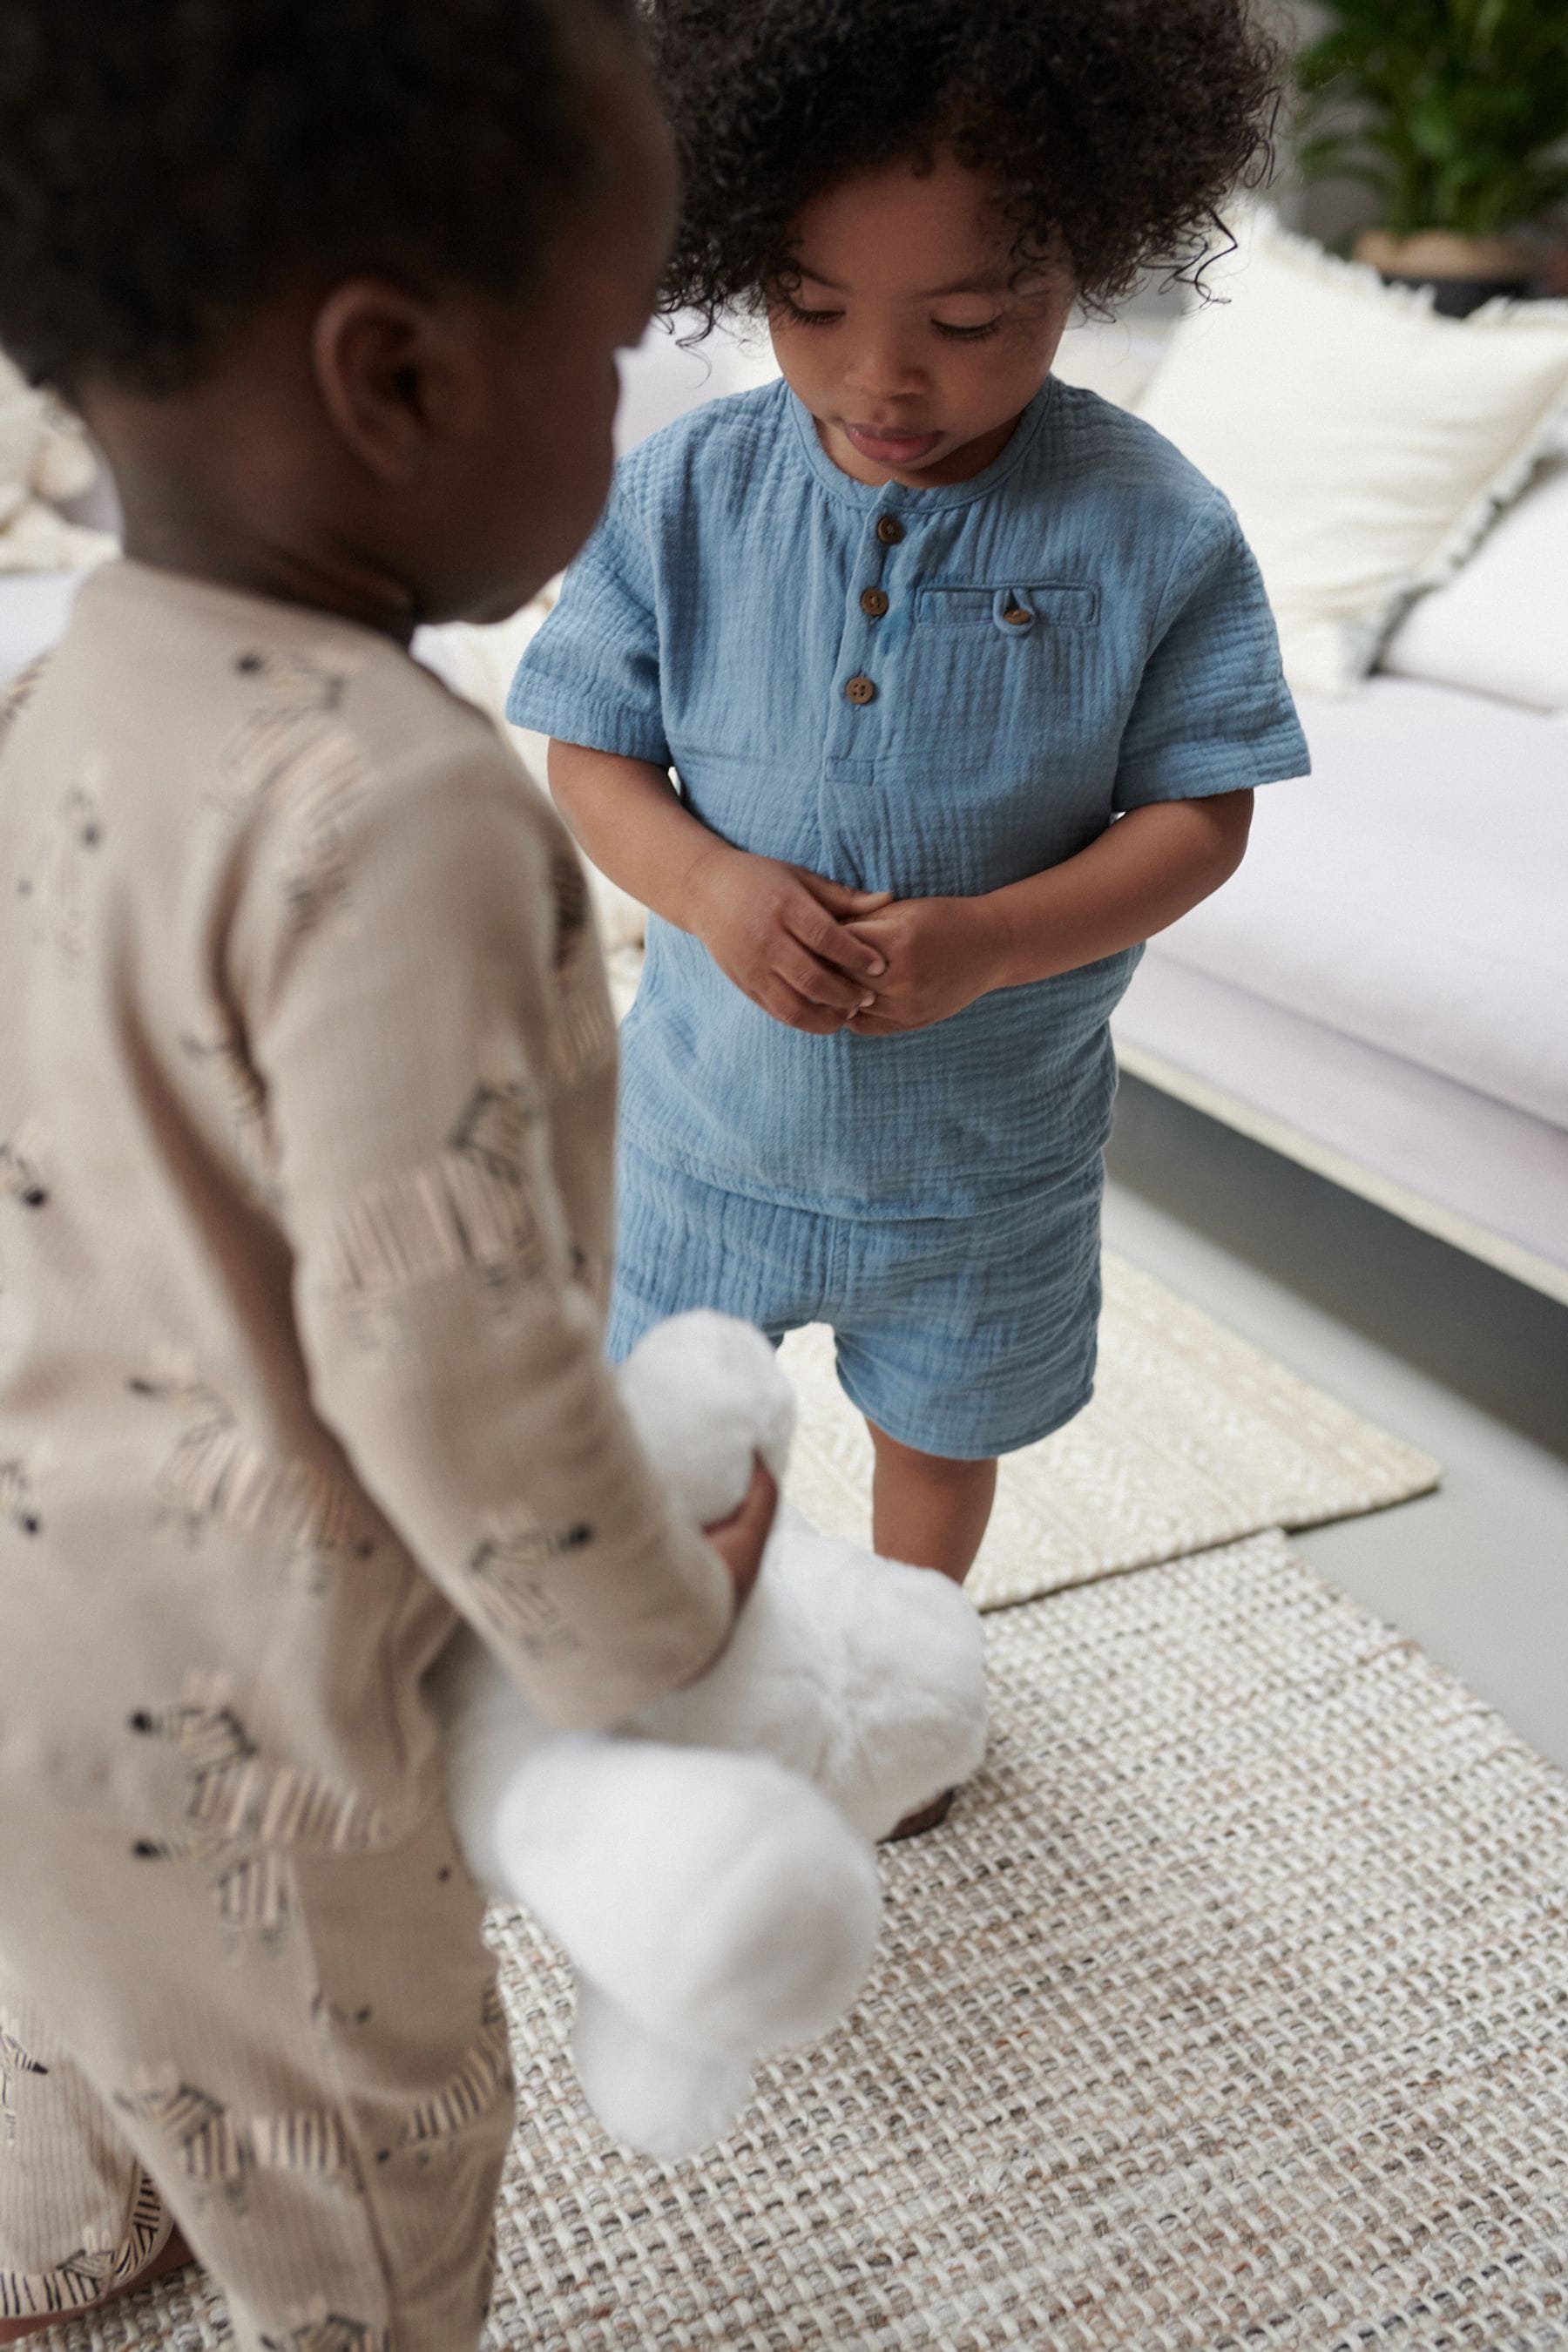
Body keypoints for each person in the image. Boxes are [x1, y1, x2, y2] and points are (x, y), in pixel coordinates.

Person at [0, 3, 774, 2343]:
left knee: (66, 1969)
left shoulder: (68, 676)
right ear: (404, 377)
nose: (628, 413)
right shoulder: (405, 806)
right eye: (621, 344)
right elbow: (444, 1340)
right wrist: (662, 1635)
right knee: (355, 2109)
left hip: (21, 1582)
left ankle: (50, 2233)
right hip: (241, 1691)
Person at [510, 0, 1311, 1764]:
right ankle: (686, 1673)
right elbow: (589, 753)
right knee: (686, 1437)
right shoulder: (689, 492)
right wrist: (712, 890)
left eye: (969, 321)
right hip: (711, 1130)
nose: (884, 381)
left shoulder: (1152, 525)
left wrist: (1000, 939)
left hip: (981, 1155)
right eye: (811, 308)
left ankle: (908, 1692)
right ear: (738, 258)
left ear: (1086, 261)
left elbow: (1206, 814)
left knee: (943, 1443)